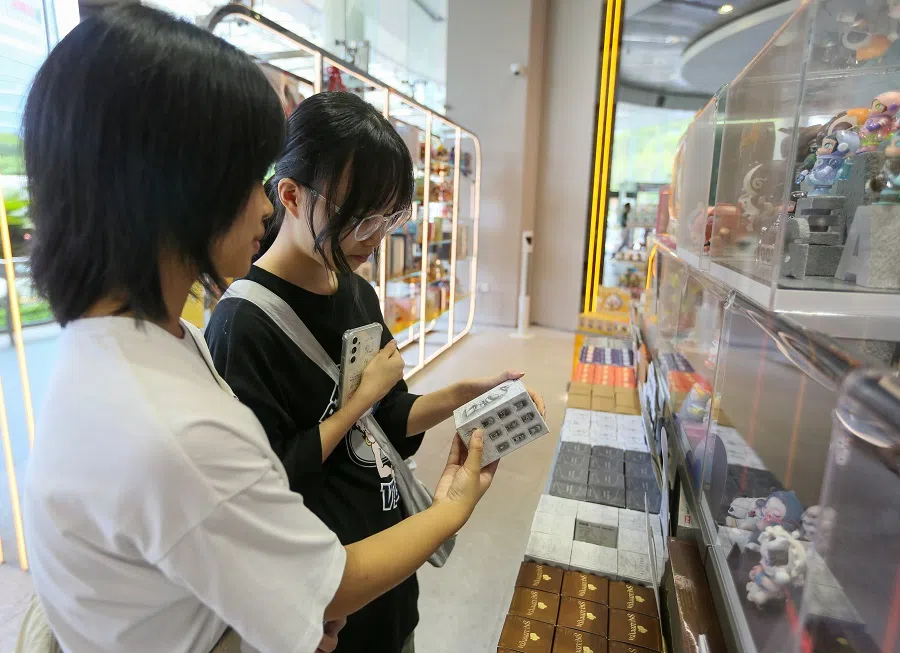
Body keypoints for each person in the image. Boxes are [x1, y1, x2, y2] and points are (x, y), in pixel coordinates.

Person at [21, 8, 497, 653]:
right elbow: (322, 582)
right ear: (176, 186)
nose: (265, 202)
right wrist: (453, 504)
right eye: (249, 177)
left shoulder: (139, 349)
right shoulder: (176, 416)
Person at [204, 92, 545, 653]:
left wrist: (465, 394)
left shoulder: (356, 290)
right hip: (326, 597)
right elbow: (269, 480)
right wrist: (357, 404)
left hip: (386, 565)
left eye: (391, 217)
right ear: (290, 196)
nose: (376, 238)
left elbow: (391, 419)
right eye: (361, 217)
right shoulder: (242, 324)